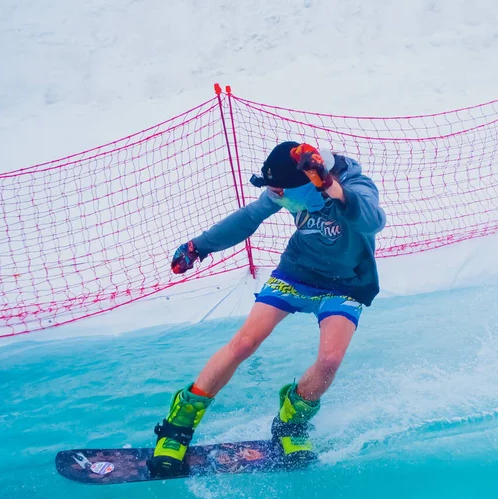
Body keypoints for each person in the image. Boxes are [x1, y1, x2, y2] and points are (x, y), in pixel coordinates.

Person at [149, 141, 386, 478]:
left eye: (280, 190)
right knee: (244, 343)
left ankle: (291, 423)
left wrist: (333, 190)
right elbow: (248, 218)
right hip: (298, 272)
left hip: (346, 283)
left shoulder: (355, 185)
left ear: (310, 182)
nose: (275, 195)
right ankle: (178, 425)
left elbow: (373, 221)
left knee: (330, 360)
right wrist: (199, 246)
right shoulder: (286, 190)